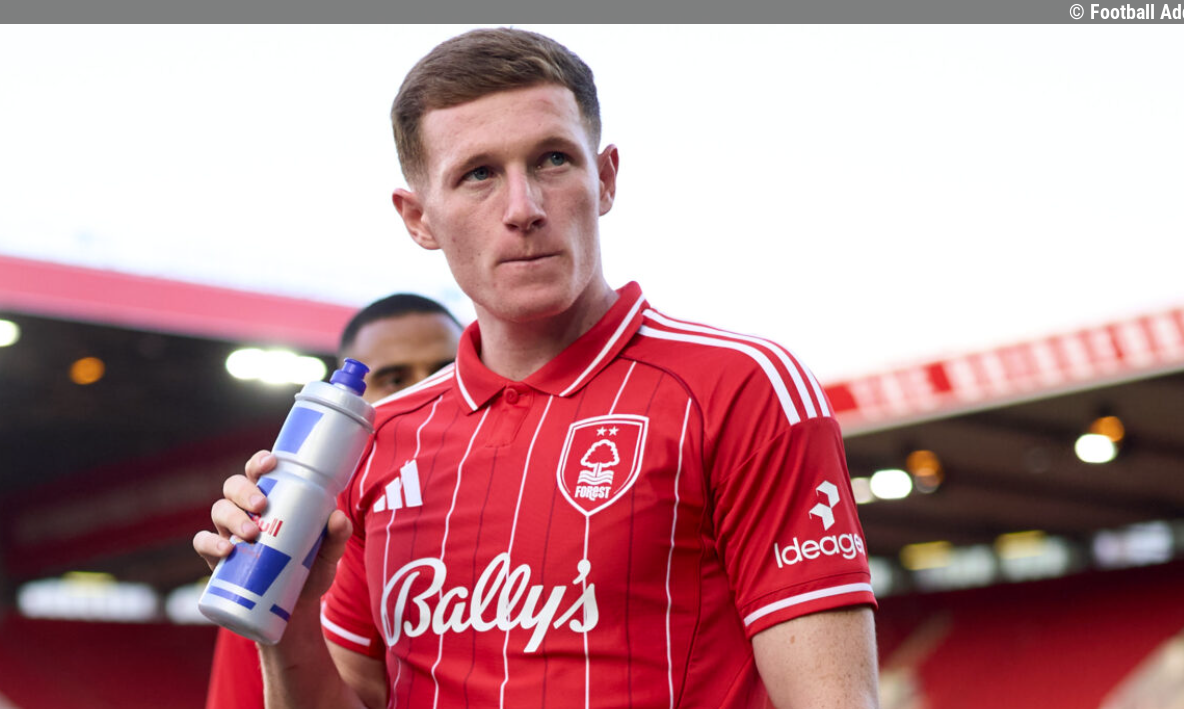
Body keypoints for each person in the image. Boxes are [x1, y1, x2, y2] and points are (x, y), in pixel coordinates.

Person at [195, 27, 880, 709]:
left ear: (604, 178)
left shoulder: (743, 388)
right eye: (479, 174)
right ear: (418, 218)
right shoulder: (376, 439)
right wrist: (288, 617)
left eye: (553, 159)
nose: (524, 209)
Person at [204, 293, 462, 709]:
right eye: (395, 381)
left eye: (443, 374)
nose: (424, 397)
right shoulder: (270, 549)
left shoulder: (503, 514)